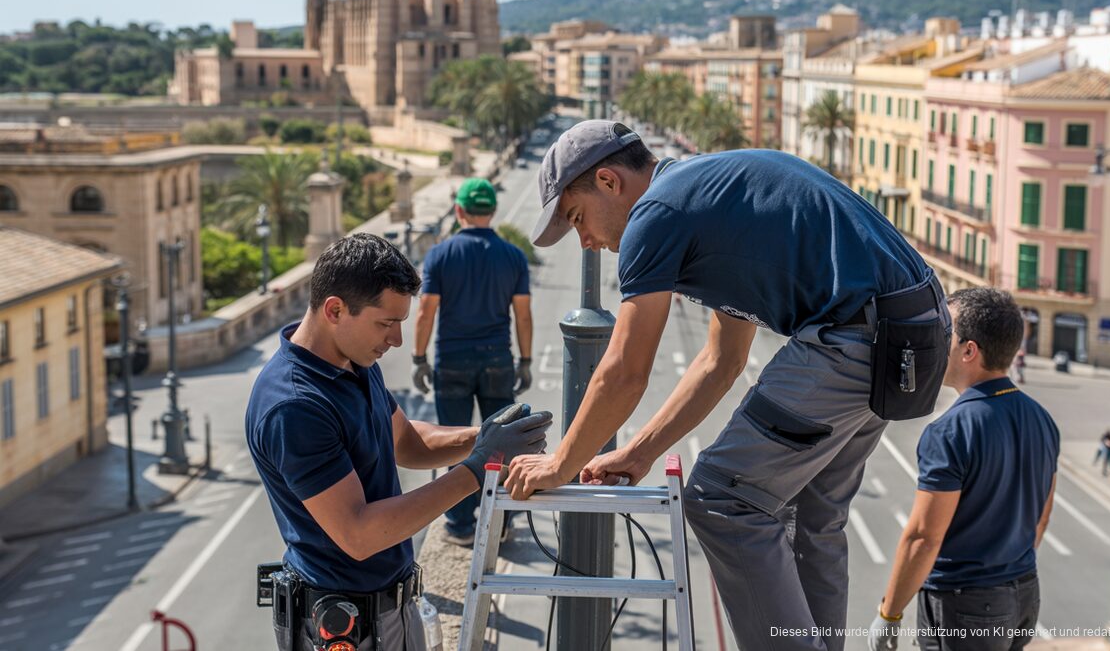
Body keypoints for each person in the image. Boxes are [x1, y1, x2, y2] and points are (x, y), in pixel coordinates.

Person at [504, 120, 951, 651]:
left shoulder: (656, 214)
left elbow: (625, 369)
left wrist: (560, 465)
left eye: (577, 219)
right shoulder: (704, 198)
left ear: (608, 181)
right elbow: (722, 359)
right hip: (908, 331)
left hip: (856, 335)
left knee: (722, 498)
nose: (587, 241)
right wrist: (640, 452)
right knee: (813, 514)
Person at [245, 234, 551, 651]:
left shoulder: (352, 359)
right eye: (386, 323)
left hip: (390, 610)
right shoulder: (295, 406)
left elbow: (407, 443)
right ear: (335, 309)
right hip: (346, 623)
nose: (397, 340)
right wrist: (480, 466)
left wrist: (482, 437)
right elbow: (360, 534)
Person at [867, 287, 1059, 651]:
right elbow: (1042, 517)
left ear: (969, 351)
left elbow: (924, 537)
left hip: (965, 602)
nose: (938, 342)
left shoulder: (949, 431)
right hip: (1023, 592)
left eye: (946, 334)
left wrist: (889, 614)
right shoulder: (1042, 418)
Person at [410, 177, 534, 546]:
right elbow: (523, 316)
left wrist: (419, 358)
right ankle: (501, 519)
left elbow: (425, 312)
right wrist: (525, 360)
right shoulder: (513, 256)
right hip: (498, 358)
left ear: (460, 211)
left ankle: (461, 525)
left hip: (451, 359)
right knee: (505, 442)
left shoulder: (439, 255)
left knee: (453, 439)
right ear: (492, 211)